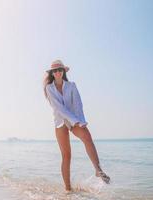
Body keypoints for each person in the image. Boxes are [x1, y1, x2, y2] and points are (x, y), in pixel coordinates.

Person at [43, 59, 110, 192]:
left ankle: (98, 170)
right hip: (60, 122)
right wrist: (74, 120)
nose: (57, 72)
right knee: (66, 155)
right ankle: (68, 189)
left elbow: (78, 104)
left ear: (63, 71)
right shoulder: (49, 88)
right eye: (55, 71)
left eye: (60, 70)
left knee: (87, 136)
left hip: (74, 120)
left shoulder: (72, 86)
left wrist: (81, 121)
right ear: (52, 73)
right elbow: (59, 108)